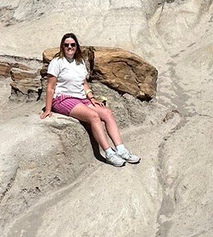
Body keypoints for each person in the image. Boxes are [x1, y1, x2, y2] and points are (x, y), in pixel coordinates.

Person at [40, 33, 139, 167]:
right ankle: (109, 153)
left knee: (107, 113)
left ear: (77, 47)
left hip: (80, 98)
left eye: (72, 45)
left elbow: (84, 83)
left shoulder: (79, 62)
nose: (70, 47)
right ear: (62, 46)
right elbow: (50, 87)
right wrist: (47, 109)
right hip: (63, 99)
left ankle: (121, 150)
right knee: (93, 116)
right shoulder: (57, 62)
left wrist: (92, 98)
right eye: (66, 45)